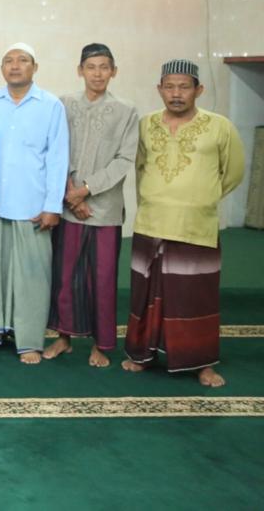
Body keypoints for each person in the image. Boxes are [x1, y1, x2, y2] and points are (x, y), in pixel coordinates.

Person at [123, 59, 245, 387]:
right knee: (146, 296)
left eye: (184, 87)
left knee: (195, 299)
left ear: (199, 89)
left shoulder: (220, 126)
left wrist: (202, 197)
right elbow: (139, 167)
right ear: (160, 89)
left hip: (195, 227)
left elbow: (233, 172)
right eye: (169, 86)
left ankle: (201, 363)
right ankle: (141, 355)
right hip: (151, 224)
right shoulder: (146, 125)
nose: (176, 94)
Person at [43, 43, 138, 368]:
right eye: (91, 67)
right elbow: (55, 148)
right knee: (66, 276)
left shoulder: (127, 110)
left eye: (104, 67)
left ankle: (102, 343)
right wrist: (70, 190)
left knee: (102, 279)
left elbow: (125, 158)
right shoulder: (64, 104)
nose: (97, 73)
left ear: (114, 71)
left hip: (104, 210)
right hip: (69, 205)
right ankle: (64, 337)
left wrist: (87, 190)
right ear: (80, 70)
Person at [0, 42, 69, 364]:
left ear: (35, 67)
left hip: (33, 205)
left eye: (22, 60)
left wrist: (53, 206)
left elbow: (58, 158)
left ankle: (29, 340)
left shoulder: (50, 105)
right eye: (8, 61)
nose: (15, 66)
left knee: (33, 276)